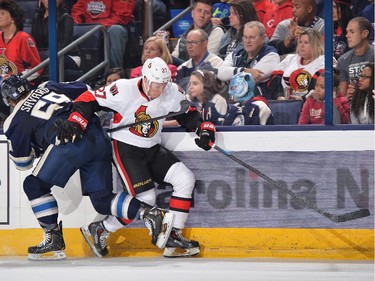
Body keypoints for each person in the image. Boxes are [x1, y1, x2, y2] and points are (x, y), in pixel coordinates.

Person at [55, 57, 217, 258]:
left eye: (163, 85)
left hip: (152, 146)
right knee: (146, 199)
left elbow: (187, 113)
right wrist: (76, 121)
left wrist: (203, 129)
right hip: (125, 147)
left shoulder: (171, 91)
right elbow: (88, 99)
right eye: (156, 85)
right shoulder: (123, 89)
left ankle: (173, 237)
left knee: (185, 179)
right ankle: (102, 229)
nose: (159, 90)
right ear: (146, 79)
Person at [1, 75, 171, 260]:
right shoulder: (47, 85)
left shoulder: (13, 120)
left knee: (34, 185)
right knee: (101, 199)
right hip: (96, 134)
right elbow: (87, 90)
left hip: (69, 145)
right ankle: (149, 213)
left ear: (8, 99)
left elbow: (23, 163)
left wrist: (34, 147)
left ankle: (53, 238)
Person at [217, 21, 280, 98]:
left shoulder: (271, 55)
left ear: (263, 38)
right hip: (233, 100)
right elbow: (220, 73)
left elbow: (252, 78)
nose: (247, 41)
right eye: (245, 37)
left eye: (252, 37)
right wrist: (243, 71)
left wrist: (230, 74)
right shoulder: (236, 53)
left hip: (259, 102)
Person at [71, 0, 135, 68]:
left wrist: (99, 26)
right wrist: (77, 24)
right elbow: (77, 12)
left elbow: (121, 16)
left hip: (111, 27)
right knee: (73, 29)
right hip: (91, 28)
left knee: (116, 30)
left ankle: (114, 71)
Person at [31, 0, 82, 81]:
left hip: (68, 56)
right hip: (45, 55)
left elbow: (64, 46)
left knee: (48, 57)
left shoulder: (66, 17)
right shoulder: (37, 17)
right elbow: (34, 41)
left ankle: (49, 85)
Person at [268, 29, 324, 100]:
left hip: (311, 102)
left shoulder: (324, 60)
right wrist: (279, 96)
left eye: (306, 42)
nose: (302, 45)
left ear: (316, 44)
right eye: (300, 42)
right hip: (285, 102)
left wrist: (303, 98)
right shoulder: (290, 58)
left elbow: (322, 82)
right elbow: (275, 79)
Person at [0, 0, 42, 83]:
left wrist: (16, 78)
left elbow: (37, 68)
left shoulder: (24, 38)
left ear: (13, 18)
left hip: (20, 86)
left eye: (2, 13)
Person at [336, 17, 374, 98]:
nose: (347, 36)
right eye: (347, 32)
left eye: (352, 32)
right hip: (352, 105)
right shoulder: (342, 60)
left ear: (364, 33)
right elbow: (342, 94)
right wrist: (347, 96)